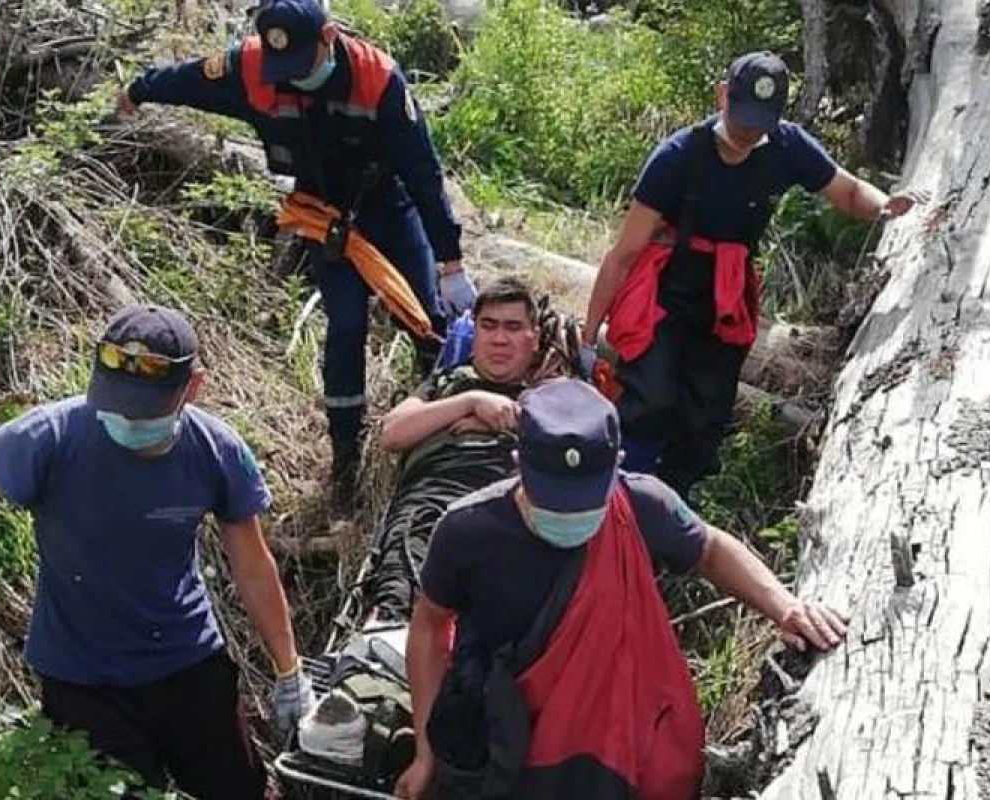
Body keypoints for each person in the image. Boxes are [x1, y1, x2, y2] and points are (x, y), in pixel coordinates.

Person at [0, 304, 313, 800]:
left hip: (187, 665)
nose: (128, 419)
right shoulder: (49, 438)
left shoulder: (216, 451)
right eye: (116, 403)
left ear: (191, 388)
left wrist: (289, 672)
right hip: (84, 683)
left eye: (145, 407)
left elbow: (253, 567)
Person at [395, 379, 849, 799]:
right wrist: (425, 752)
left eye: (584, 503)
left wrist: (784, 607)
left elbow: (709, 547)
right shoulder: (467, 529)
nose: (570, 517)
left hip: (611, 745)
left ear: (617, 464)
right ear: (518, 462)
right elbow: (430, 630)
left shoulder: (638, 504)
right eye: (553, 500)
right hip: (499, 742)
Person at [114, 0, 475, 509]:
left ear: (329, 36)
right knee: (346, 327)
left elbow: (423, 173)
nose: (294, 77)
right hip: (322, 218)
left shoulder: (376, 79)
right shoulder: (255, 69)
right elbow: (191, 80)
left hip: (387, 208)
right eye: (286, 67)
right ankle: (346, 460)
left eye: (303, 62)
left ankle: (436, 438)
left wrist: (451, 261)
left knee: (427, 322)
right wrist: (139, 88)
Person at [581, 50, 923, 499]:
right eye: (741, 118)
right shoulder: (678, 157)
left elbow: (848, 190)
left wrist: (884, 207)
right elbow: (624, 253)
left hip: (726, 293)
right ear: (722, 95)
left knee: (707, 414)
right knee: (652, 399)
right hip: (666, 289)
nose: (747, 132)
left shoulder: (787, 146)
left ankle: (669, 506)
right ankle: (617, 496)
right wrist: (588, 336)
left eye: (760, 122)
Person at [362, 276, 548, 624]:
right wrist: (469, 403)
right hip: (429, 504)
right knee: (401, 596)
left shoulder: (547, 398)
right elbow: (392, 434)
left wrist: (507, 421)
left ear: (533, 337)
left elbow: (577, 453)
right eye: (488, 326)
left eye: (513, 327)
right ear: (474, 332)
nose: (499, 339)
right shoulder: (445, 384)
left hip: (507, 512)